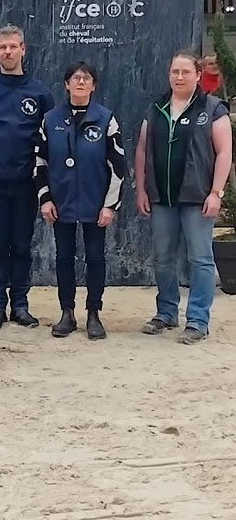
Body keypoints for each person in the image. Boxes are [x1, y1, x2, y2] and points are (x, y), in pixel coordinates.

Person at [135, 50, 233, 344]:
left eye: (185, 72)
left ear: (198, 75)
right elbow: (142, 150)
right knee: (163, 258)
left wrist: (217, 192)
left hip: (198, 197)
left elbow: (224, 152)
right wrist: (141, 188)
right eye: (175, 72)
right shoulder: (156, 107)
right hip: (162, 198)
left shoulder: (213, 109)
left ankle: (198, 320)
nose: (179, 77)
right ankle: (166, 312)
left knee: (200, 259)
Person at [0, 24, 54, 329]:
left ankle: (21, 305)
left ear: (23, 50)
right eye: (2, 47)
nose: (8, 52)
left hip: (28, 184)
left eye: (13, 46)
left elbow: (50, 139)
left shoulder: (40, 94)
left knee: (22, 245)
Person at [34, 61, 126, 340]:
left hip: (95, 205)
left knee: (96, 258)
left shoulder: (106, 119)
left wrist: (110, 206)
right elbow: (39, 163)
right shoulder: (50, 120)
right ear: (67, 84)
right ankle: (67, 313)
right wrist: (45, 200)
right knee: (63, 258)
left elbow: (118, 166)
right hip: (61, 204)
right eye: (75, 78)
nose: (81, 82)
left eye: (86, 78)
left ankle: (94, 314)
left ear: (94, 85)